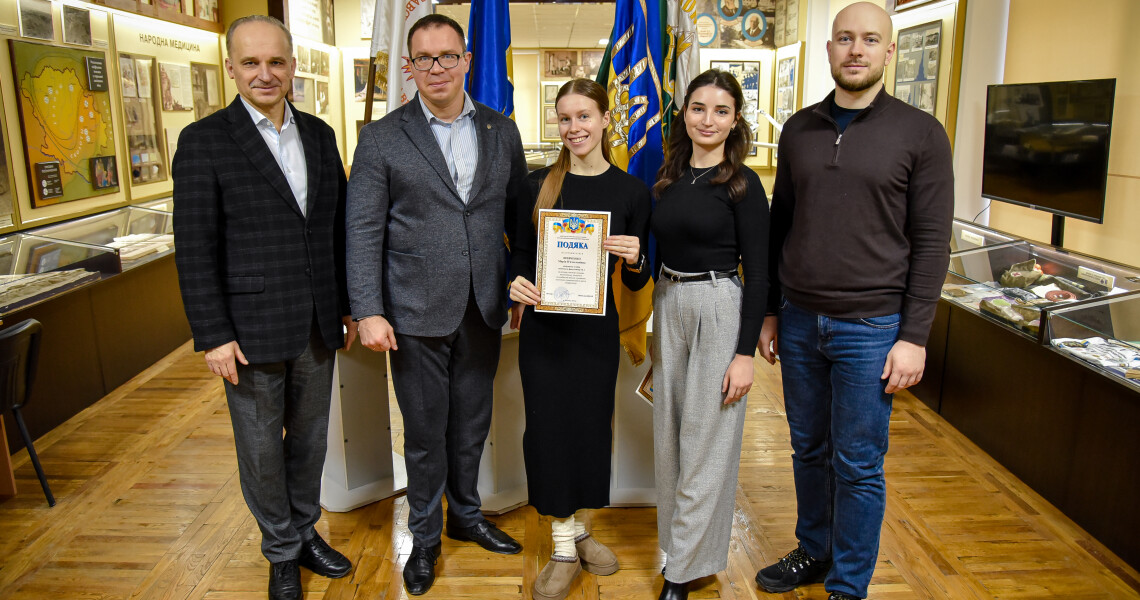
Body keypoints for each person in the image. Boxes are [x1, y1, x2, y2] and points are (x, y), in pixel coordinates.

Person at [754, 4, 954, 600]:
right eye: (846, 38)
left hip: (873, 328)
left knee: (858, 462)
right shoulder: (800, 129)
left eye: (871, 39)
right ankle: (813, 550)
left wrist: (914, 335)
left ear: (889, 51)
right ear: (830, 48)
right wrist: (769, 310)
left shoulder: (921, 133)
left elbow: (932, 242)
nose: (857, 49)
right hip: (797, 321)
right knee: (808, 448)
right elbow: (780, 224)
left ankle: (848, 584)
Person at [344, 13, 529, 597]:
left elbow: (517, 220)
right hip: (413, 313)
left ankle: (465, 517)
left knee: (472, 425)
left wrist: (519, 281)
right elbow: (363, 230)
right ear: (408, 66)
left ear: (468, 60)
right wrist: (368, 308)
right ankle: (424, 538)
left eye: (448, 56)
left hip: (482, 307)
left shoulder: (503, 131)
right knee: (425, 433)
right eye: (423, 59)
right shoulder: (381, 137)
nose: (437, 68)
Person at [172, 15, 355, 600]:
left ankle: (304, 532)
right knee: (259, 450)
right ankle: (280, 551)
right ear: (230, 68)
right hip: (247, 331)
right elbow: (195, 249)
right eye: (250, 63)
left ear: (292, 64)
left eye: (275, 61)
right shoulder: (203, 141)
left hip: (319, 323)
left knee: (309, 441)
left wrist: (348, 307)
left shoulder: (322, 135)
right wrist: (212, 334)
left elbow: (337, 232)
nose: (264, 73)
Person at [508, 78, 651, 600]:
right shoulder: (535, 184)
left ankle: (582, 528)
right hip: (544, 333)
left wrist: (636, 257)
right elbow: (521, 253)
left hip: (596, 332)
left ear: (606, 120)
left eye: (584, 117)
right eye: (565, 119)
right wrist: (515, 280)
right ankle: (563, 546)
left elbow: (637, 281)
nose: (574, 128)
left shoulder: (631, 192)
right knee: (548, 432)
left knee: (591, 429)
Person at [650, 69, 769, 600]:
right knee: (671, 439)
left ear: (735, 119)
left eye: (721, 111)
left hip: (718, 305)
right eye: (699, 108)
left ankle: (679, 574)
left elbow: (760, 273)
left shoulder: (742, 182)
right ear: (685, 113)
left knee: (706, 440)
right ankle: (683, 553)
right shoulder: (669, 175)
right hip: (668, 301)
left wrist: (743, 354)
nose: (708, 119)